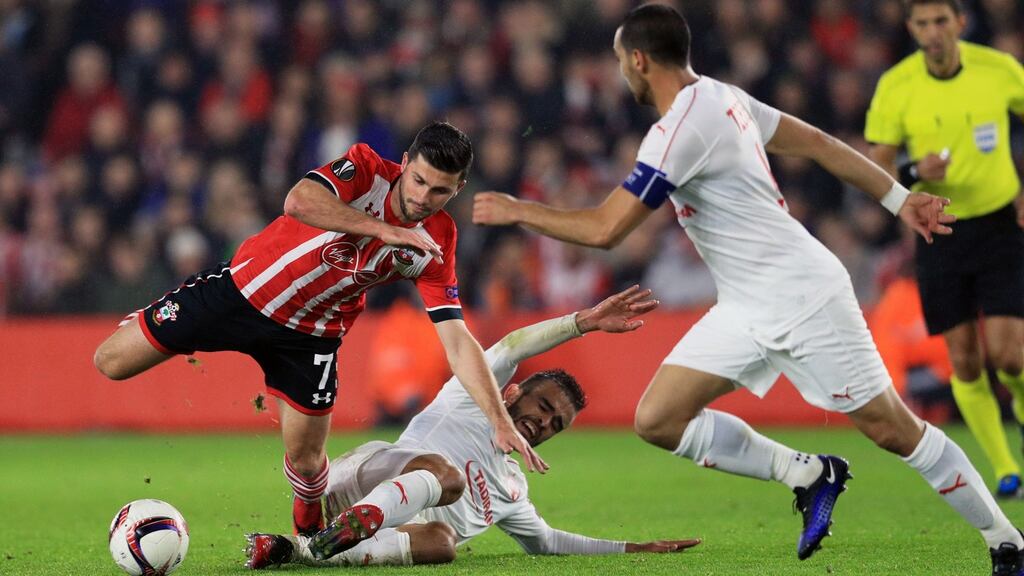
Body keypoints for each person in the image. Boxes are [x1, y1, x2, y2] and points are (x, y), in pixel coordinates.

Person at [472, 4, 1024, 573]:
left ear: (638, 60)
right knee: (659, 418)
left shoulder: (678, 130)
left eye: (620, 62)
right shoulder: (723, 96)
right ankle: (810, 474)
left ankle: (1006, 538)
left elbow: (606, 230)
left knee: (893, 428)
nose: (621, 74)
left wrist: (520, 210)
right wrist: (900, 198)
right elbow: (820, 144)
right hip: (745, 304)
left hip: (804, 295)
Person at [93, 122, 544, 540]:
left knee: (308, 465)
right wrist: (383, 230)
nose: (424, 198)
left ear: (458, 188)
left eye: (440, 190)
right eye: (419, 181)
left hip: (311, 336)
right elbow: (299, 202)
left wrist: (499, 420)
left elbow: (456, 339)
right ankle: (161, 315)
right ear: (405, 164)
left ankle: (308, 537)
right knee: (110, 363)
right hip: (239, 292)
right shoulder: (365, 168)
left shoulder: (439, 239)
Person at [244, 286, 701, 568]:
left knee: (442, 544)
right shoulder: (469, 398)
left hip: (375, 533)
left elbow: (546, 542)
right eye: (543, 405)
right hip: (359, 480)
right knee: (448, 477)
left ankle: (303, 550)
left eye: (555, 424)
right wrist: (582, 322)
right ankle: (324, 525)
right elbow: (512, 346)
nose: (544, 422)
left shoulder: (513, 487)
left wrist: (635, 549)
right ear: (514, 392)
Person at [865, 0, 1024, 498]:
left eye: (940, 21)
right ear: (910, 28)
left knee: (1010, 356)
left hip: (999, 225)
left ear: (960, 22)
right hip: (940, 231)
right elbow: (877, 163)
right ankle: (1003, 467)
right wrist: (913, 173)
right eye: (922, 23)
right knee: (966, 361)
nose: (932, 33)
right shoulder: (897, 84)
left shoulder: (998, 70)